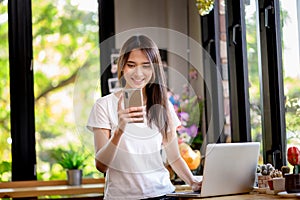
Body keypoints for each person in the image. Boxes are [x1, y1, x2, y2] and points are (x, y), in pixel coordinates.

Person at [87, 35, 202, 200]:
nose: (138, 73)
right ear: (122, 67)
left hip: (162, 193)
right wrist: (119, 131)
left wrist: (193, 182)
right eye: (131, 65)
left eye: (146, 66)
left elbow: (174, 157)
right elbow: (101, 166)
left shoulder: (163, 105)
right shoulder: (104, 105)